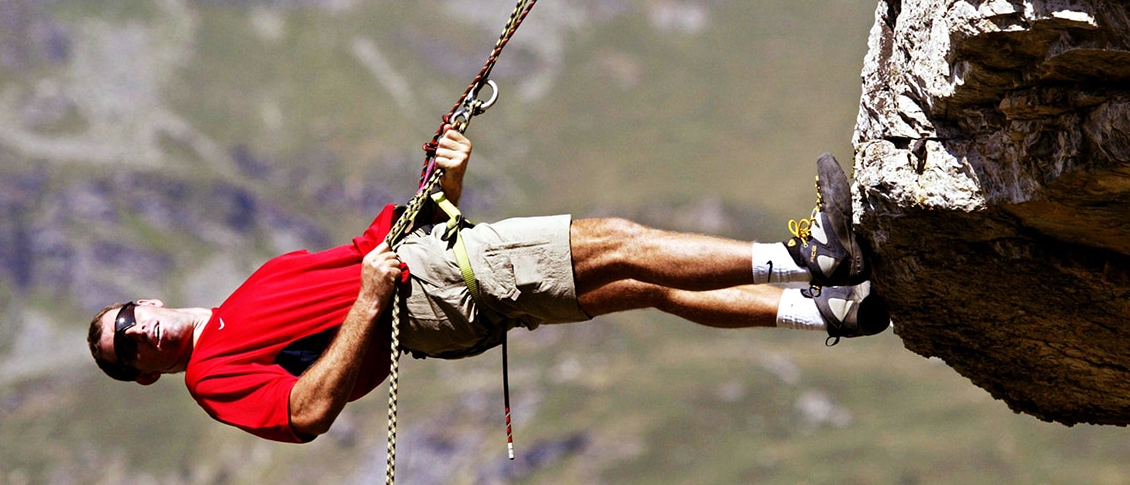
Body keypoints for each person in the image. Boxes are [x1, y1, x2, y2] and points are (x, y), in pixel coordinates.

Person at [87, 125, 889, 443]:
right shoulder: (211, 377)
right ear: (141, 374)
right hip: (428, 295)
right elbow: (305, 414)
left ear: (146, 301)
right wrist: (371, 300)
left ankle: (818, 310)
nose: (139, 332)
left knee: (642, 285)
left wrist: (444, 180)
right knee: (620, 242)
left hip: (433, 290)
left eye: (129, 319)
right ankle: (814, 257)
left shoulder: (252, 291)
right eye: (128, 349)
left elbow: (379, 243)